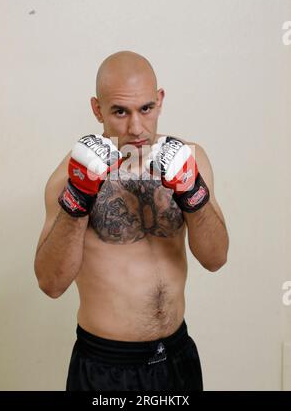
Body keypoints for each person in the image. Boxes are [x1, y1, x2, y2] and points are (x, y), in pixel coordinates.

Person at [34, 50, 229, 391]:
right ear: (97, 109)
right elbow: (51, 284)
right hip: (105, 366)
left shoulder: (191, 159)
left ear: (160, 100)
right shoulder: (69, 176)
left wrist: (193, 192)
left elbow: (215, 259)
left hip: (176, 358)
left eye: (146, 109)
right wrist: (77, 200)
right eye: (120, 112)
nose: (136, 127)